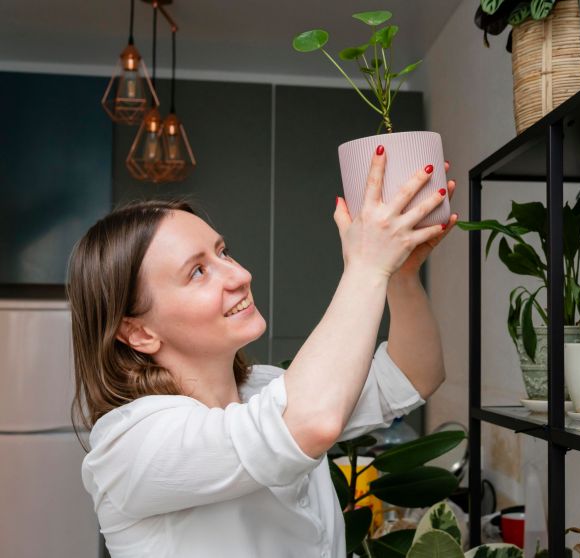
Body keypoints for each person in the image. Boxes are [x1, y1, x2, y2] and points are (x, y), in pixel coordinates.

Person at [68, 147, 457, 558]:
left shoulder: (266, 386)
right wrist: (366, 266)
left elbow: (412, 375)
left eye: (222, 252)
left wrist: (401, 275)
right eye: (197, 271)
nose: (240, 275)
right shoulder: (131, 446)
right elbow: (308, 424)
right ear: (139, 332)